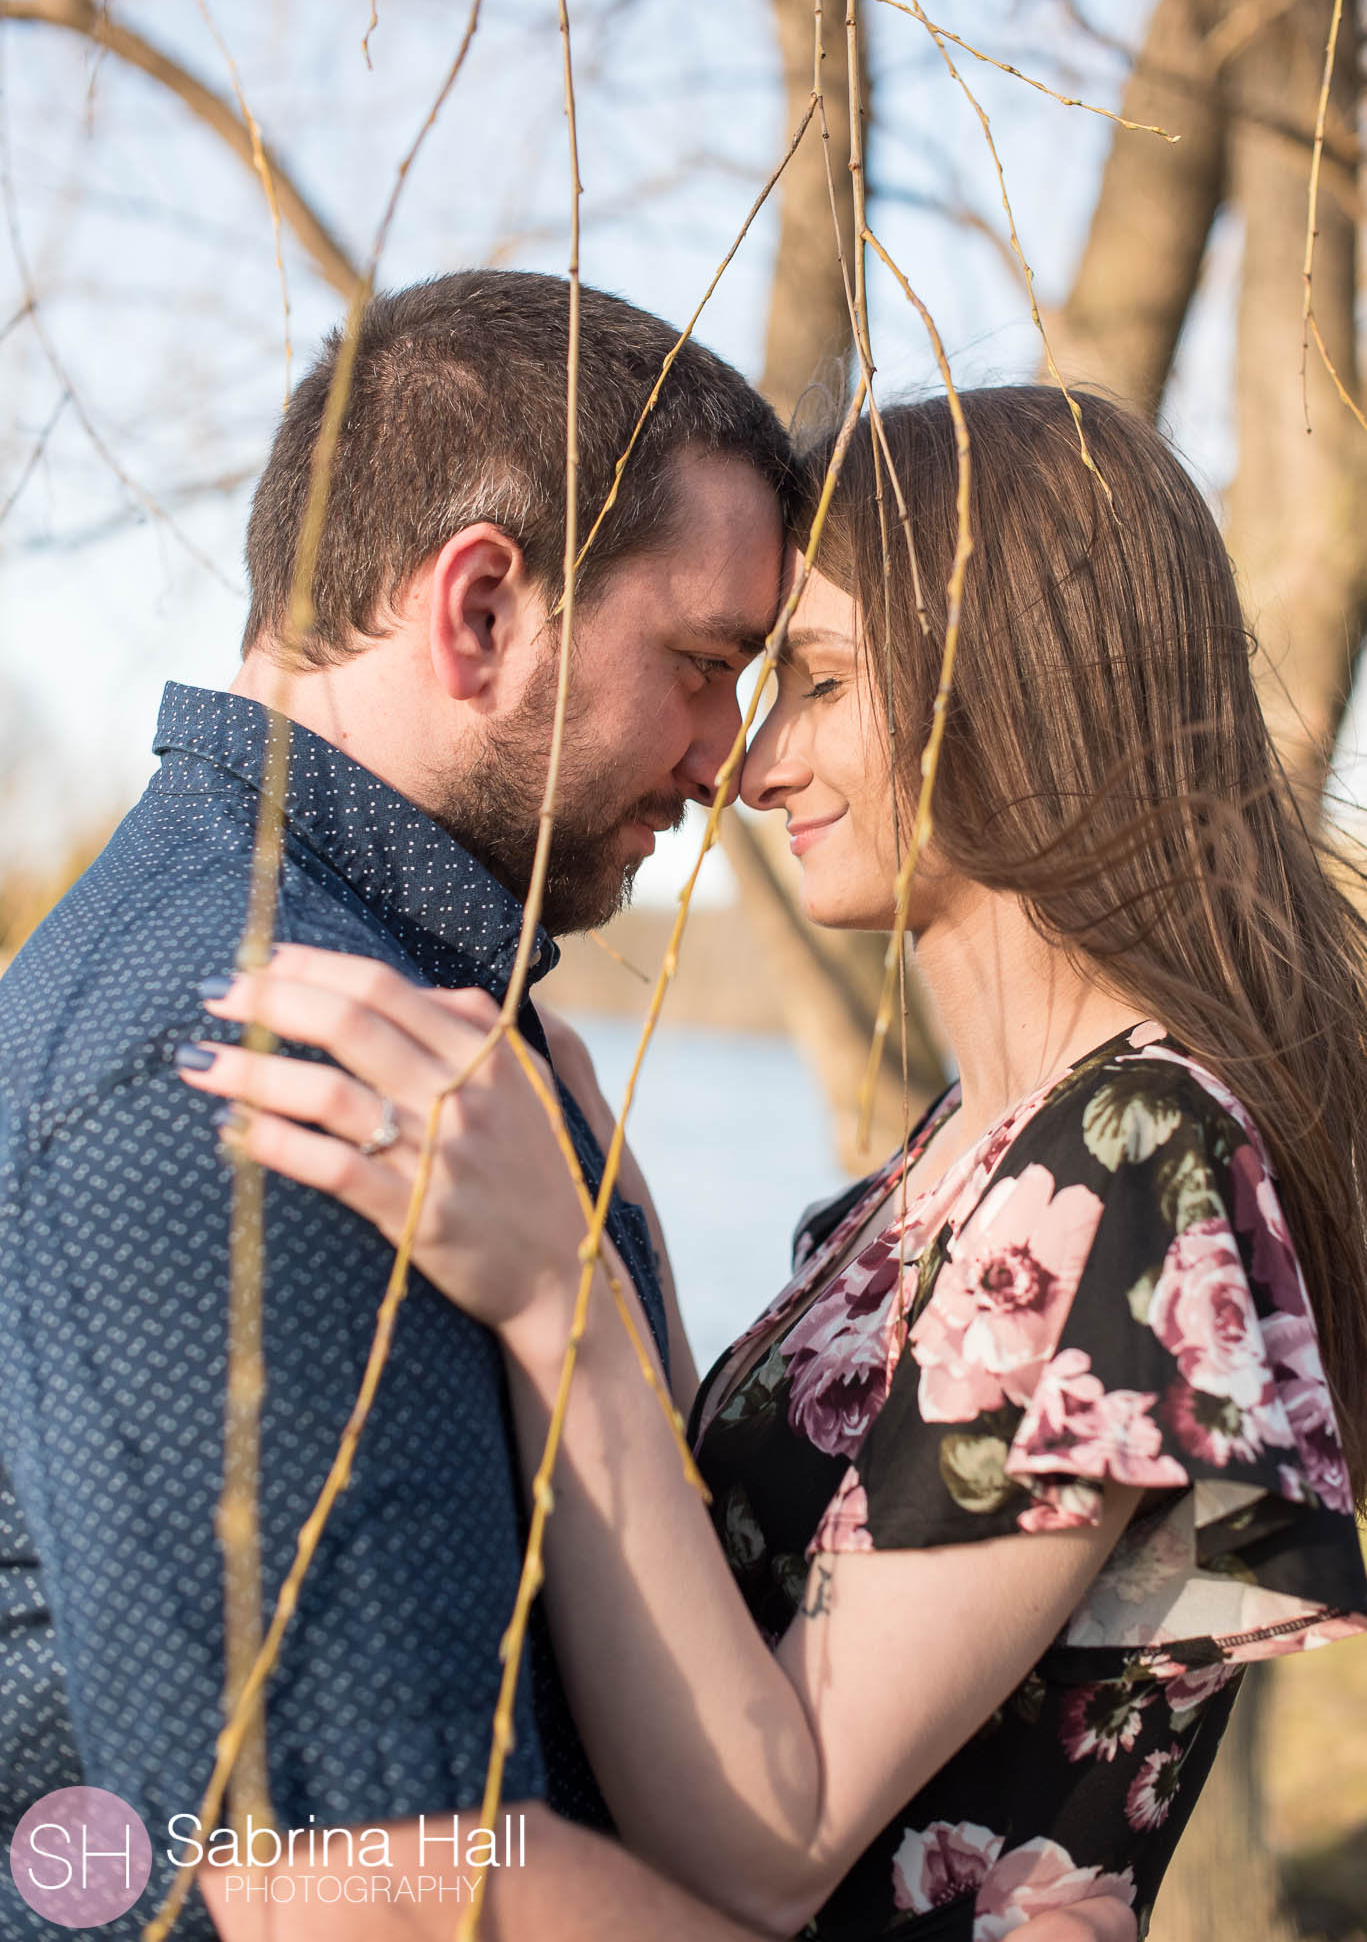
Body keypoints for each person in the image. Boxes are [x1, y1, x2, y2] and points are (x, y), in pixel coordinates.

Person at [0, 279, 1123, 1942]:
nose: (725, 756)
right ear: (479, 611)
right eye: (701, 665)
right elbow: (368, 1892)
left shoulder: (422, 1013)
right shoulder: (263, 1057)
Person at [183, 385, 1367, 1938]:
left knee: (345, 1870)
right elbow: (745, 1581)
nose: (752, 767)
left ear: (1012, 682)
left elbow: (774, 1832)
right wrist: (597, 1195)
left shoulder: (1138, 1156)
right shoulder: (978, 1142)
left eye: (813, 680)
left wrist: (562, 1297)